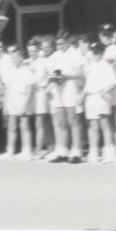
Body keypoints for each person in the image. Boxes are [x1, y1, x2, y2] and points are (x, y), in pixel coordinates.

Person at [48, 31, 85, 163]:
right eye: (57, 44)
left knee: (73, 120)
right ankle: (62, 150)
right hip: (58, 90)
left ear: (68, 42)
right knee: (61, 121)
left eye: (62, 43)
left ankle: (76, 151)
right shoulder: (54, 56)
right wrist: (54, 79)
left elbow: (81, 74)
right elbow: (51, 74)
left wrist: (66, 76)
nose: (59, 46)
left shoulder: (75, 54)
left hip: (71, 89)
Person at [83, 41, 116, 163]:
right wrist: (82, 96)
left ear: (102, 53)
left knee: (105, 125)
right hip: (90, 97)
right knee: (92, 126)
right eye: (93, 52)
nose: (95, 54)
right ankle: (94, 151)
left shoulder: (106, 65)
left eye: (98, 52)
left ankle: (109, 151)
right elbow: (88, 84)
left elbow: (114, 82)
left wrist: (104, 92)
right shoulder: (91, 65)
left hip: (101, 97)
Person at [0, 42, 36, 158]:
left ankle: (27, 151)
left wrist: (25, 105)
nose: (14, 59)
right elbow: (6, 89)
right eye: (12, 57)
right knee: (11, 126)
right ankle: (10, 151)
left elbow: (30, 89)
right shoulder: (9, 71)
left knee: (24, 125)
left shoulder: (26, 70)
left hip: (23, 99)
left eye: (16, 56)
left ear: (21, 57)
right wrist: (5, 105)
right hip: (11, 99)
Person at [97, 23, 116, 162]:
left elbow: (109, 69)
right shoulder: (113, 49)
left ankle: (114, 150)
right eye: (104, 34)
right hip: (112, 87)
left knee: (110, 120)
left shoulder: (112, 50)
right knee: (111, 120)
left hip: (111, 87)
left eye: (107, 34)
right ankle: (113, 150)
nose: (104, 37)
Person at [30, 36, 54, 160]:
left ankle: (39, 148)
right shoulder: (32, 61)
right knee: (43, 121)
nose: (44, 50)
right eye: (42, 47)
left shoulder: (46, 61)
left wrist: (47, 89)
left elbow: (53, 76)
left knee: (40, 121)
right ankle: (49, 146)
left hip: (41, 93)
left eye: (47, 47)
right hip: (33, 93)